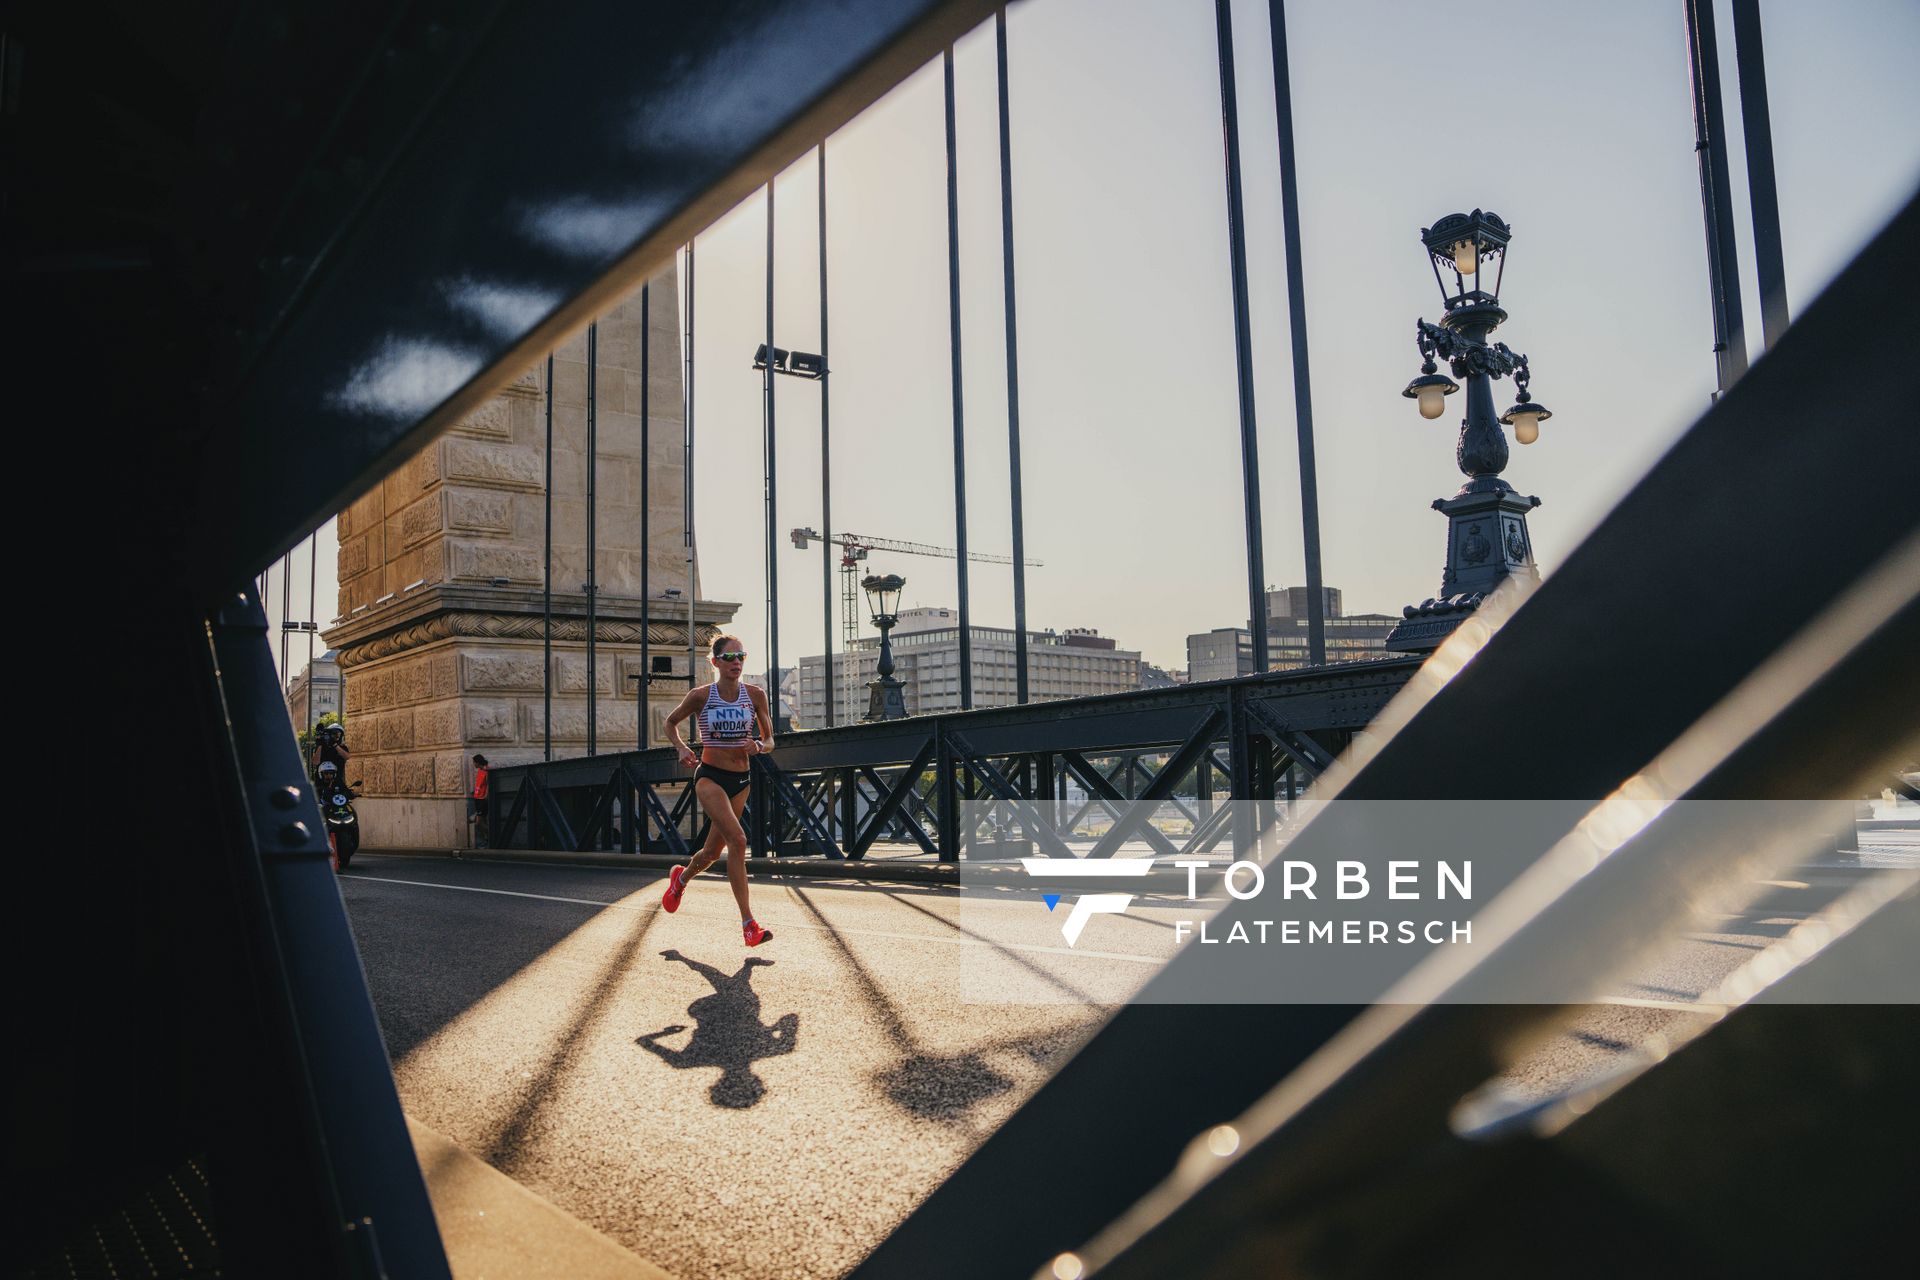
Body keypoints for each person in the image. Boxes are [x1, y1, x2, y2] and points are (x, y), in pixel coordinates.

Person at [659, 635, 775, 946]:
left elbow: (770, 740)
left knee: (712, 853)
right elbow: (670, 723)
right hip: (710, 777)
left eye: (741, 656)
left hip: (741, 780)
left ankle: (680, 880)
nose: (736, 662)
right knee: (738, 840)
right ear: (715, 662)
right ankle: (749, 924)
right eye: (729, 657)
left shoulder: (755, 695)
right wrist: (682, 749)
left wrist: (759, 746)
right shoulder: (700, 696)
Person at [469, 754, 490, 849]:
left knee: (479, 823)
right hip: (477, 798)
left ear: (477, 762)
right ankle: (487, 839)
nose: (473, 764)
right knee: (482, 821)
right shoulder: (480, 770)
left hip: (482, 799)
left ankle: (491, 836)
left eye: (474, 762)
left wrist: (486, 795)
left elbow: (489, 784)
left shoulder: (486, 770)